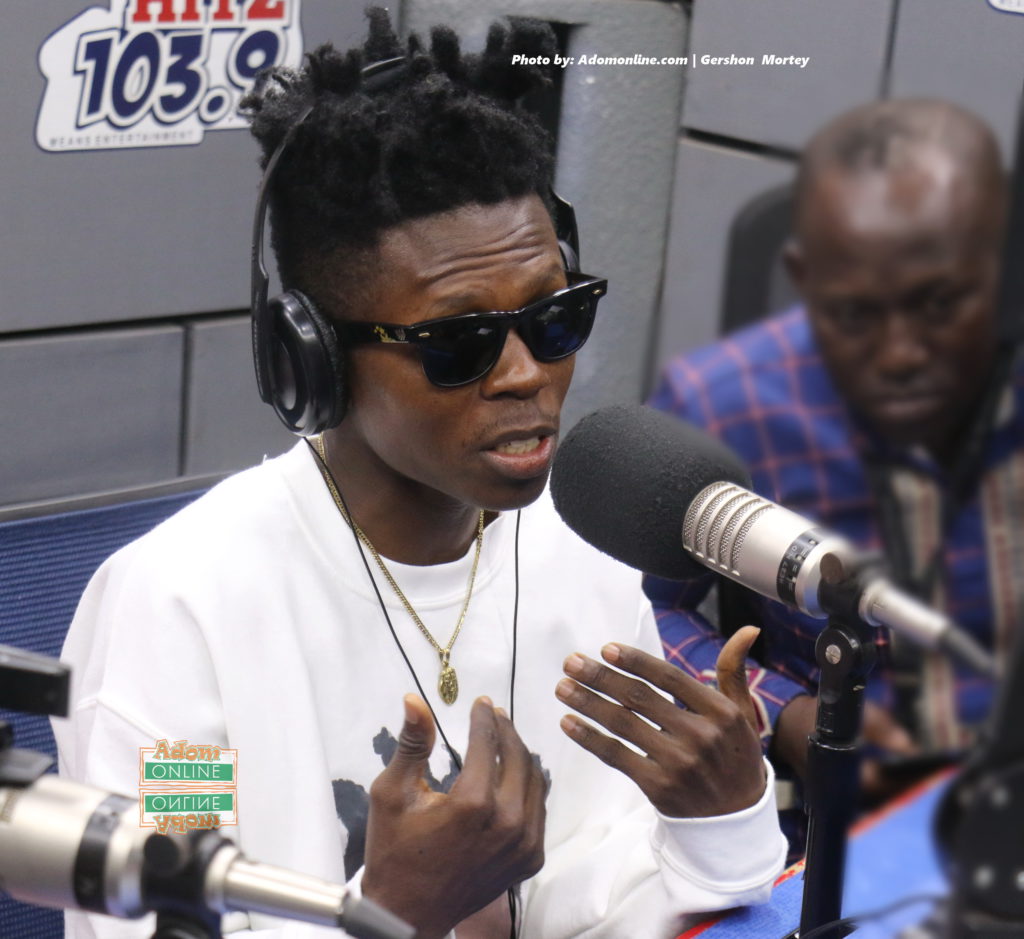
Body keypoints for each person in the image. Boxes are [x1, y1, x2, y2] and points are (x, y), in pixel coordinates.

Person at [54, 11, 787, 939]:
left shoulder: (582, 555)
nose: (525, 373)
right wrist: (391, 912)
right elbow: (154, 925)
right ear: (315, 360)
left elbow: (595, 897)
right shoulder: (176, 611)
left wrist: (721, 812)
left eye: (554, 318)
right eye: (459, 341)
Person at [647, 98, 1018, 813]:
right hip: (840, 800)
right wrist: (782, 713)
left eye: (943, 304)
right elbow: (636, 609)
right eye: (858, 312)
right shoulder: (722, 403)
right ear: (804, 274)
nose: (903, 353)